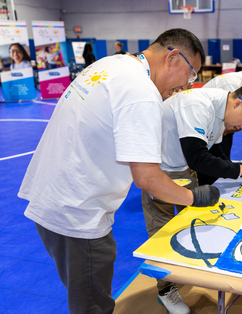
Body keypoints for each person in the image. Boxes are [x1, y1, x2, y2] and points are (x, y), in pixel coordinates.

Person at [18, 28, 221, 314]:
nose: (187, 86)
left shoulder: (110, 64)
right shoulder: (141, 90)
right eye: (190, 75)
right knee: (93, 305)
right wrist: (193, 197)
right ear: (173, 57)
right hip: (79, 213)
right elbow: (148, 178)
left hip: (52, 198)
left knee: (85, 296)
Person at [141, 85, 242, 313]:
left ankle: (191, 267)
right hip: (158, 170)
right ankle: (165, 289)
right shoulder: (199, 104)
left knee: (194, 221)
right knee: (162, 228)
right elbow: (198, 157)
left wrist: (239, 173)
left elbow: (214, 153)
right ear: (238, 103)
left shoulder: (221, 113)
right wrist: (239, 170)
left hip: (182, 167)